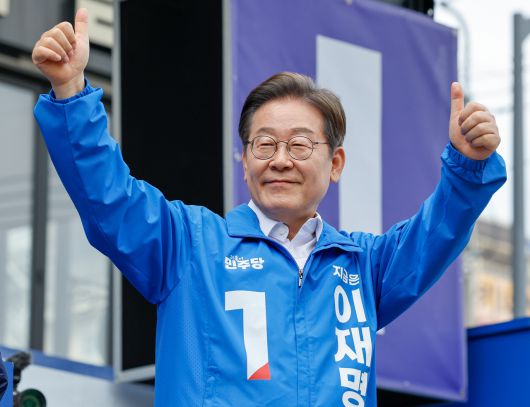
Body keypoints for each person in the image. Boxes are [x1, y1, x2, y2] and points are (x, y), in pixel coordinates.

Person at [31, 8, 506, 407]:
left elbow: (436, 234)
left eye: (299, 145)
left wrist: (467, 165)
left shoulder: (364, 267)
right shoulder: (189, 245)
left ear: (335, 163)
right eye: (264, 144)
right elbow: (109, 197)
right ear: (244, 162)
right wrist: (71, 92)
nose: (280, 160)